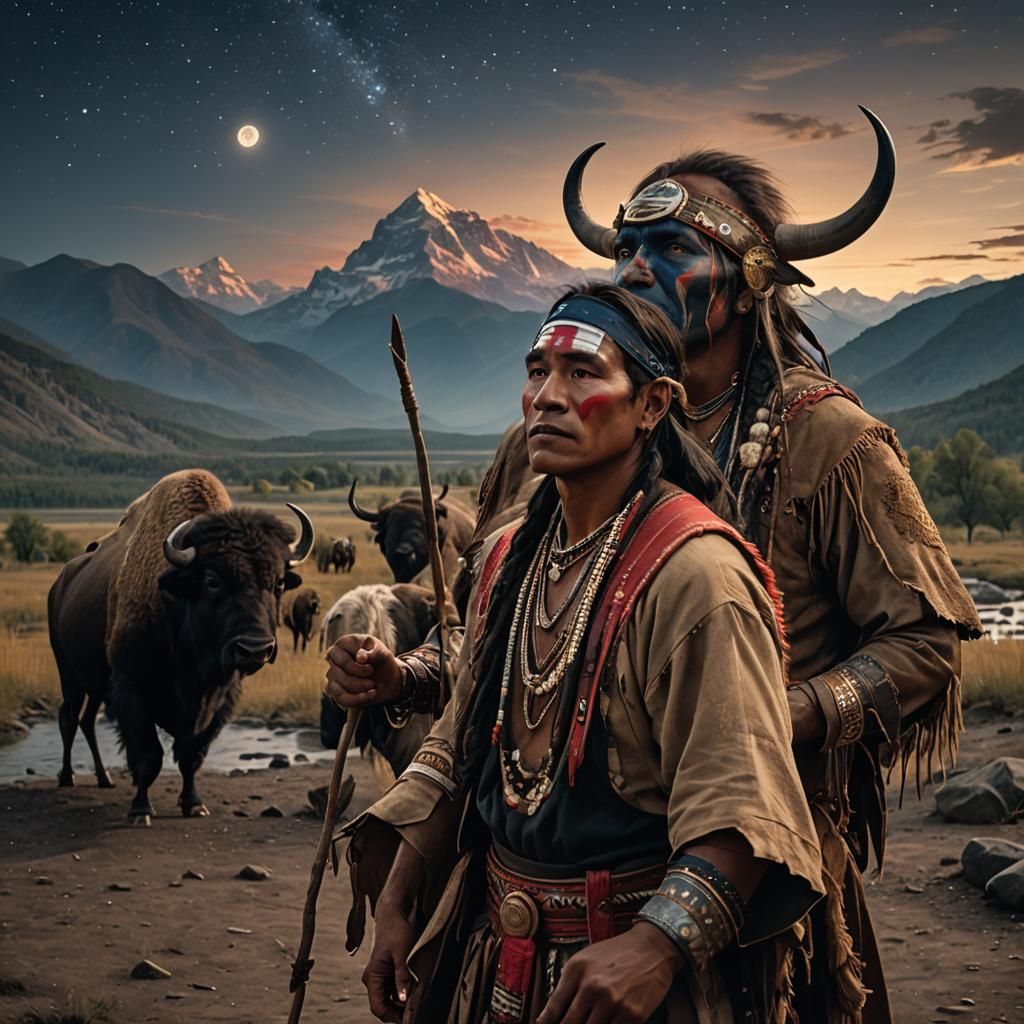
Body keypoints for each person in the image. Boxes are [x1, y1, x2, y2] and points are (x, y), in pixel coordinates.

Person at [553, 108, 981, 1021]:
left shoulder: (829, 439)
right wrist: (418, 669)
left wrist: (785, 712)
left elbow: (926, 641)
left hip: (763, 872)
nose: (634, 267)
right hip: (574, 867)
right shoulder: (601, 422)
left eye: (669, 247)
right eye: (625, 246)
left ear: (751, 281)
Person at [327, 282, 824, 1024]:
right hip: (493, 961)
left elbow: (743, 808)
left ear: (653, 404)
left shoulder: (699, 579)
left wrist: (655, 948)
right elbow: (462, 747)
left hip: (633, 987)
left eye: (582, 373)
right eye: (537, 373)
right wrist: (398, 902)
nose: (549, 396)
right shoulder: (506, 556)